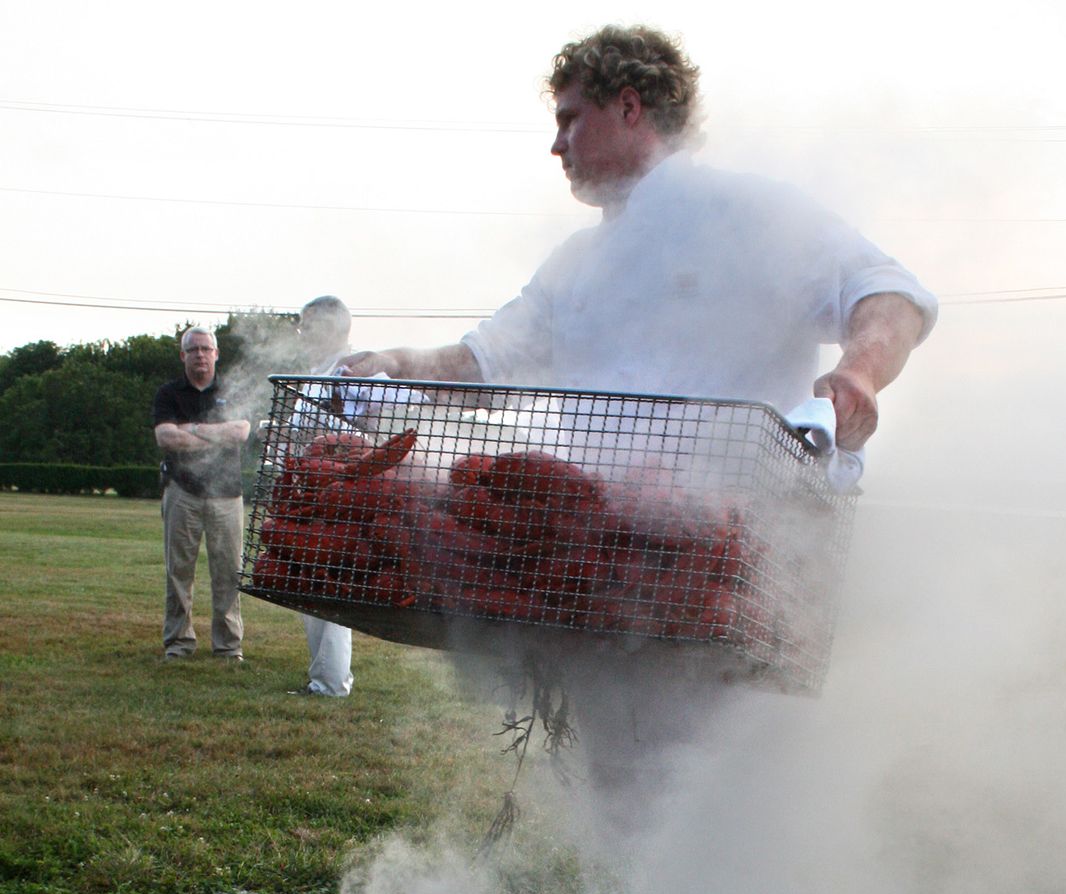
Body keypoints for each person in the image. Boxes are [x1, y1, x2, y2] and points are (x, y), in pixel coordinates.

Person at [341, 25, 936, 451]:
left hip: (731, 548)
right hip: (598, 560)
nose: (557, 146)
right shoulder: (574, 265)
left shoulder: (747, 211)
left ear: (629, 107)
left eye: (570, 119)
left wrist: (860, 373)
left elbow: (887, 292)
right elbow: (487, 364)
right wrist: (397, 363)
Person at [152, 328, 251, 661]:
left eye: (206, 349)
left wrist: (189, 429)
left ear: (216, 353)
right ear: (183, 356)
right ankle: (179, 643)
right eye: (192, 349)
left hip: (227, 495)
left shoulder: (231, 390)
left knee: (228, 573)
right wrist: (215, 435)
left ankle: (228, 646)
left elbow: (239, 431)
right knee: (179, 572)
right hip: (182, 492)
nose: (200, 355)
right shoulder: (168, 393)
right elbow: (166, 438)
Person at [291, 295, 356, 698]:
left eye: (307, 325)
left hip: (335, 497)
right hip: (312, 495)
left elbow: (360, 433)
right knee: (309, 589)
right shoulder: (318, 372)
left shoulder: (350, 372)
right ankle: (322, 676)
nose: (301, 334)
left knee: (328, 587)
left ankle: (331, 683)